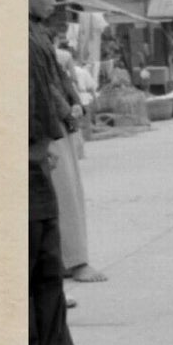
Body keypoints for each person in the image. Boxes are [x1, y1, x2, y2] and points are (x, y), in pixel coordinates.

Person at [27, 0, 80, 345]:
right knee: (43, 290)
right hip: (27, 169)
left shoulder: (37, 37)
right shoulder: (25, 40)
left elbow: (53, 94)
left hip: (32, 165)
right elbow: (42, 105)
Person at [49, 35, 107, 284]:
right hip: (47, 124)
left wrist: (73, 106)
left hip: (58, 121)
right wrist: (66, 108)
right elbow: (46, 86)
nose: (52, 2)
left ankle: (70, 259)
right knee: (61, 196)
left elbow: (60, 81)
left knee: (67, 194)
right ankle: (72, 260)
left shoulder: (49, 49)